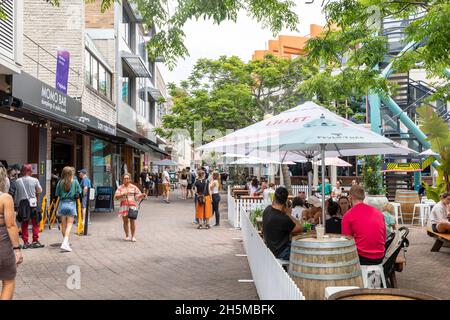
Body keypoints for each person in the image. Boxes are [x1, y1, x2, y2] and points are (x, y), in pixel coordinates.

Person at [342, 185, 386, 265]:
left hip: (362, 256)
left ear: (350, 198)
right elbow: (384, 236)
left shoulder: (348, 215)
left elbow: (346, 242)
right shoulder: (378, 212)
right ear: (363, 197)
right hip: (380, 255)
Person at [0, 167, 23, 300]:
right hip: (2, 247)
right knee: (8, 282)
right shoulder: (5, 198)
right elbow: (11, 225)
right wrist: (17, 249)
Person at [263, 187, 302, 261]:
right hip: (281, 252)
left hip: (270, 248)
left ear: (274, 197)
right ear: (285, 201)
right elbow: (299, 228)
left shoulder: (267, 210)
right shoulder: (283, 219)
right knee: (303, 252)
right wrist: (288, 213)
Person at [14, 164, 44, 250]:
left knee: (24, 223)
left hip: (23, 204)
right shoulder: (35, 180)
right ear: (29, 171)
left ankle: (25, 242)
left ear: (22, 171)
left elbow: (17, 194)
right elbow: (39, 190)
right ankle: (35, 241)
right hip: (32, 203)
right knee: (35, 222)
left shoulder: (17, 181)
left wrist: (16, 205)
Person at [55, 167, 82, 252]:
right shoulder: (74, 181)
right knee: (69, 225)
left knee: (63, 225)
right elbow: (80, 191)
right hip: (71, 204)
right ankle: (65, 242)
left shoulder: (60, 182)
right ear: (71, 173)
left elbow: (57, 194)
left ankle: (65, 242)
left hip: (62, 204)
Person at [114, 173, 146, 242]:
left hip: (132, 206)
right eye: (125, 178)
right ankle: (127, 235)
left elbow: (137, 197)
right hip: (124, 206)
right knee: (125, 222)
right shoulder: (120, 187)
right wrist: (122, 194)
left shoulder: (134, 187)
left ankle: (133, 236)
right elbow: (116, 197)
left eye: (127, 178)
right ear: (123, 179)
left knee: (132, 221)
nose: (126, 179)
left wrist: (142, 195)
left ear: (130, 179)